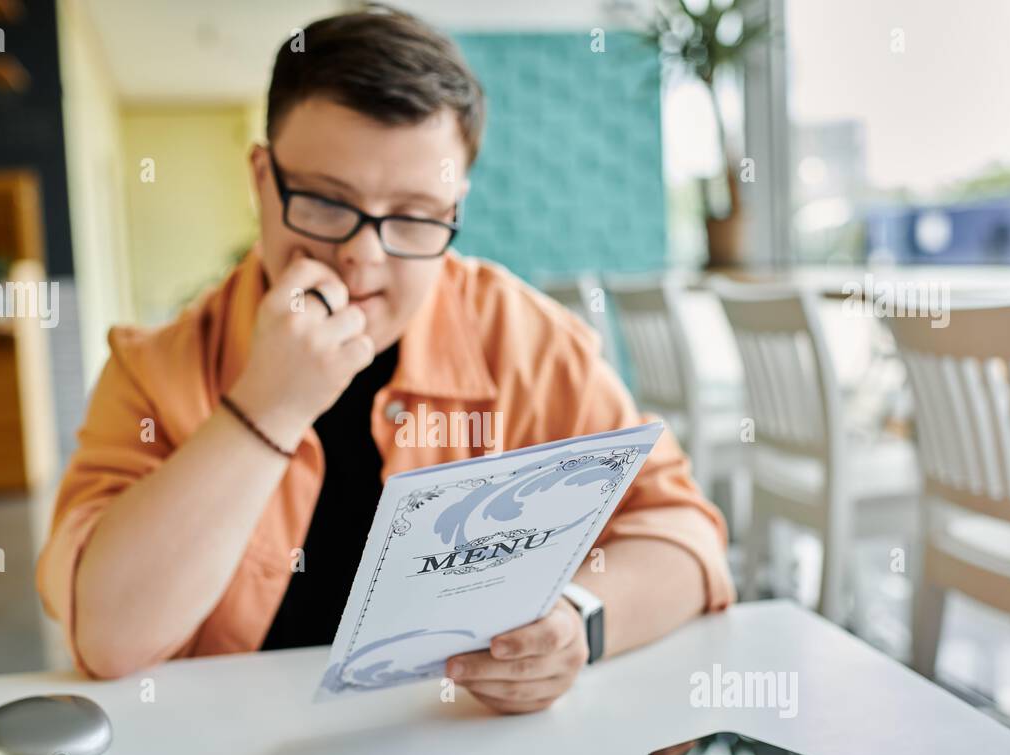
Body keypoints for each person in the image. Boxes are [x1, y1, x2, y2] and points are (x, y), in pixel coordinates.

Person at [36, 6, 734, 713]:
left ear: (455, 209)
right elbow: (109, 636)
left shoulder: (524, 340)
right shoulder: (153, 368)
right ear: (262, 181)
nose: (361, 256)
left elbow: (684, 533)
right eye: (324, 202)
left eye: (413, 215)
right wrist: (264, 412)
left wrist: (580, 619)